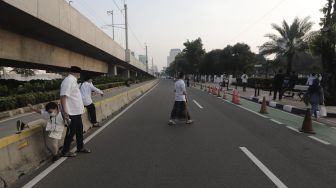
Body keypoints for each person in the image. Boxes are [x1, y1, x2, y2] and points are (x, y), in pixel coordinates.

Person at [60, 66, 91, 157]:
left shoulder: (73, 81)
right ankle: (65, 151)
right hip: (71, 113)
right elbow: (63, 97)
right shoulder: (68, 81)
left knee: (79, 130)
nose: (80, 76)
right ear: (77, 73)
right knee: (71, 132)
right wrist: (66, 113)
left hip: (76, 112)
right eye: (80, 74)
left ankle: (80, 147)